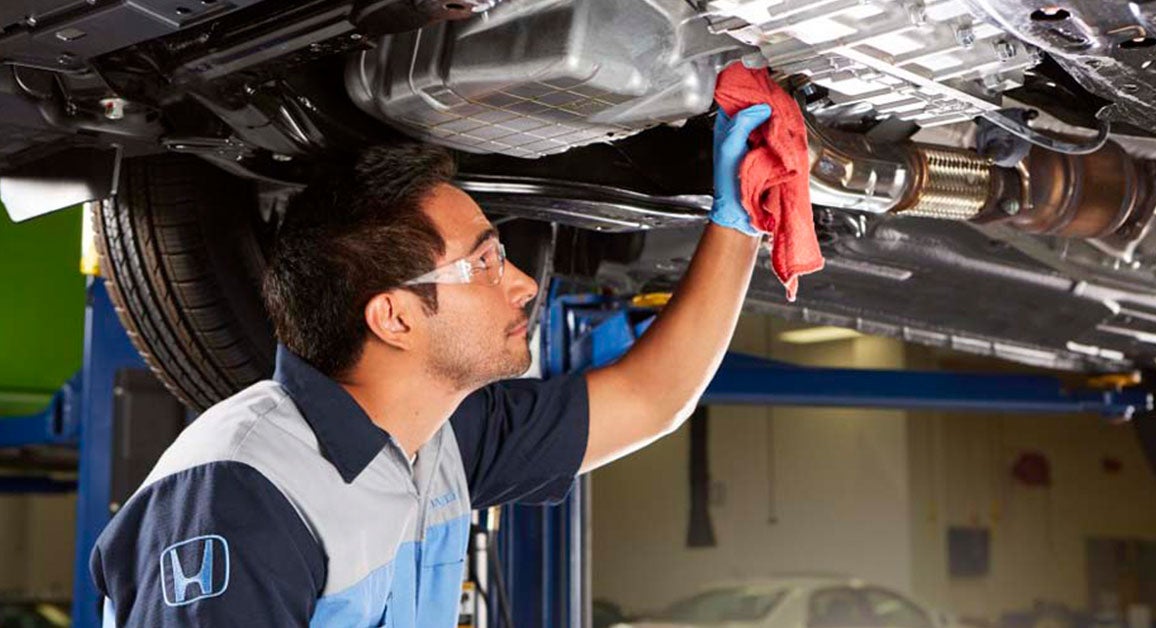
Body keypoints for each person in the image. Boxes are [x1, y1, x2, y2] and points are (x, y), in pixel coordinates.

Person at [89, 103, 776, 627]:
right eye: (483, 262)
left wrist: (741, 220)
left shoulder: (433, 437)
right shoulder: (243, 493)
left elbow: (651, 397)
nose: (524, 285)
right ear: (394, 318)